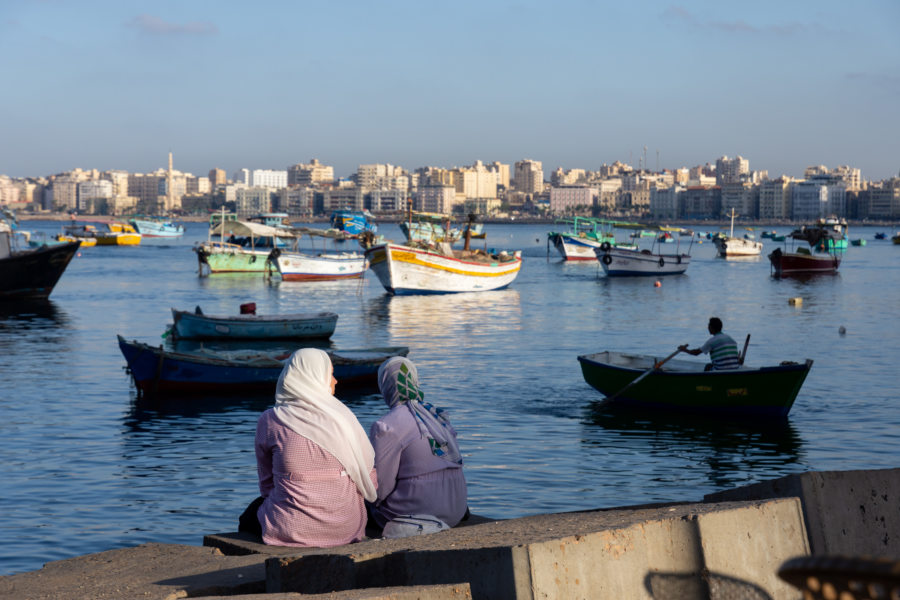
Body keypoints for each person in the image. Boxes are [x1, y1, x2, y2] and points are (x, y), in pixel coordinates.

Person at [238, 348, 377, 547]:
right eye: (330, 374)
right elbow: (370, 479)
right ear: (316, 378)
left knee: (249, 515)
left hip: (289, 527)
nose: (335, 381)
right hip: (346, 527)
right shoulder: (344, 420)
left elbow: (267, 485)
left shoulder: (270, 420)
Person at [367, 357, 468, 531]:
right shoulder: (439, 417)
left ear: (385, 385)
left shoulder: (386, 426)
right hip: (456, 511)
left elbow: (381, 488)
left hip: (415, 514)